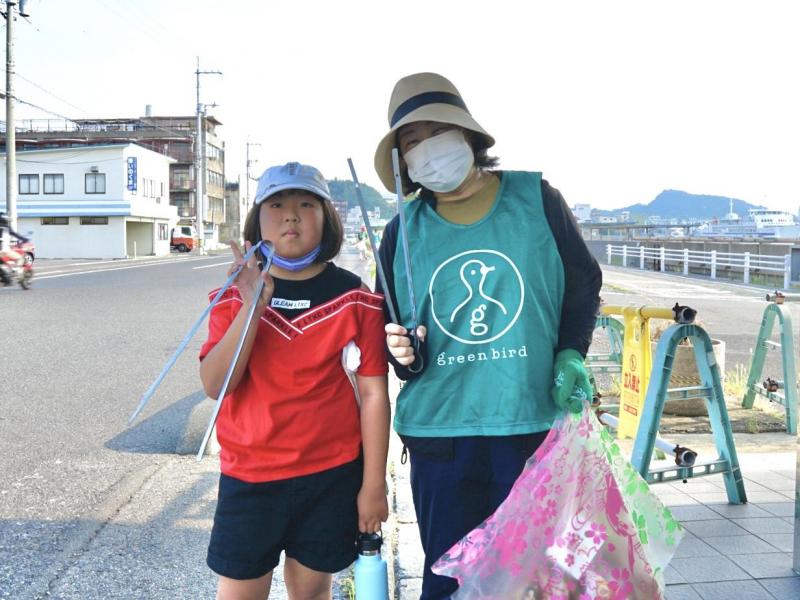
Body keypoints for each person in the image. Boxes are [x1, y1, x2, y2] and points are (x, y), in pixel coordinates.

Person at [372, 73, 603, 599]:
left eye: (437, 131)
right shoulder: (400, 231)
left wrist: (570, 351)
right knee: (452, 578)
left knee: (536, 580)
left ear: (467, 134)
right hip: (441, 436)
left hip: (529, 423)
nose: (426, 148)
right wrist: (404, 356)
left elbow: (583, 283)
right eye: (411, 142)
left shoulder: (537, 200)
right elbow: (390, 324)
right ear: (403, 162)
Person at [199, 162, 391, 600]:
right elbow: (216, 385)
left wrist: (373, 484)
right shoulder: (232, 293)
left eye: (306, 204)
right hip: (249, 477)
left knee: (312, 592)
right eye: (277, 204)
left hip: (331, 474)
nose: (291, 215)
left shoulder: (355, 297)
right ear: (257, 219)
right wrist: (252, 303)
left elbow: (374, 392)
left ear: (327, 218)